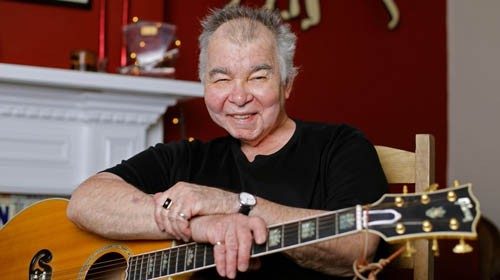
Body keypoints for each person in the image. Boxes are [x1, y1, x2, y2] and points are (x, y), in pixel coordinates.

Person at [67, 5, 387, 280]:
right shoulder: (187, 157)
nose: (238, 96)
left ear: (287, 84)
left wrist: (233, 204)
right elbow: (84, 201)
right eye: (221, 79)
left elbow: (359, 247)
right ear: (205, 85)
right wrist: (201, 225)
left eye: (258, 77)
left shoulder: (341, 146)